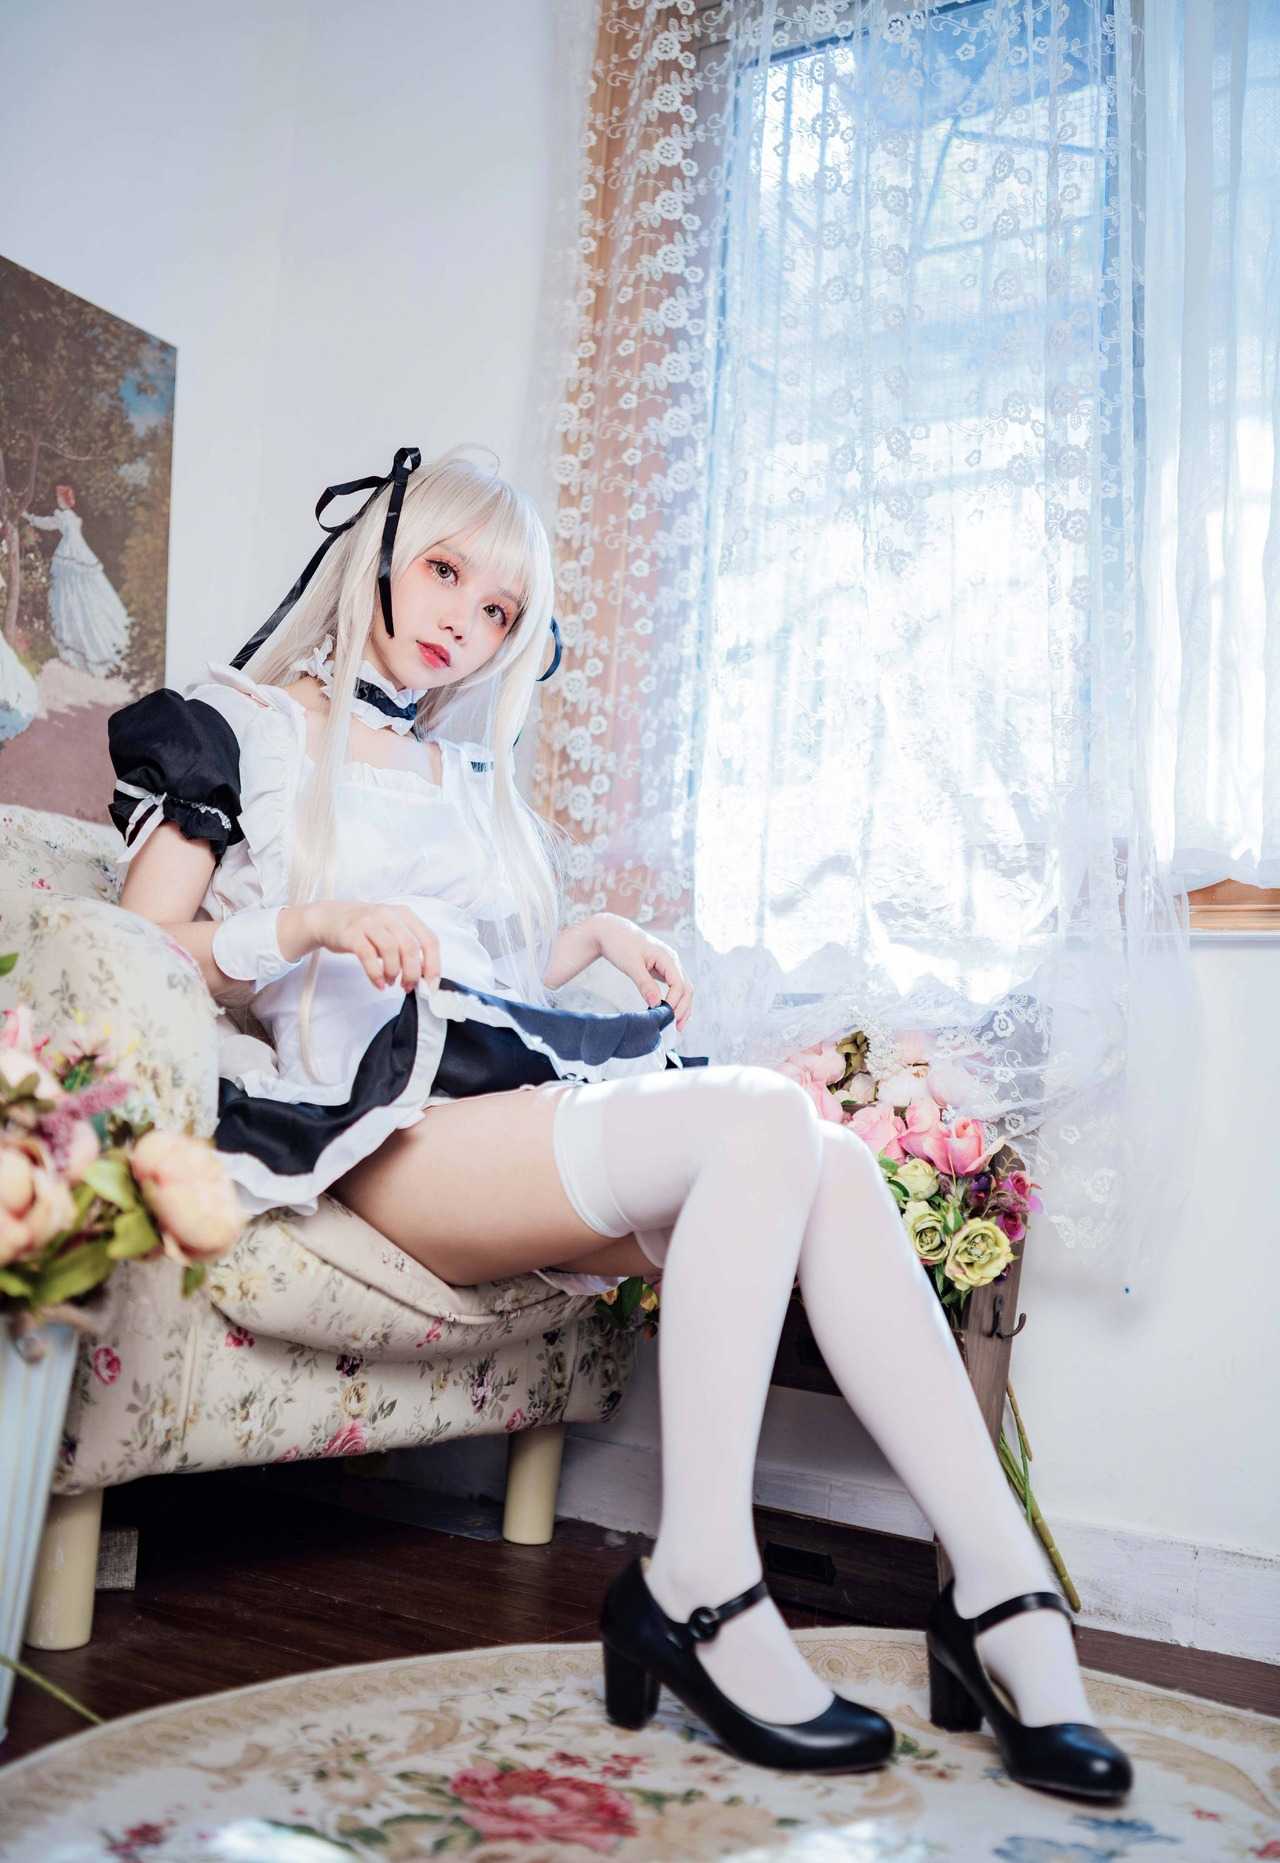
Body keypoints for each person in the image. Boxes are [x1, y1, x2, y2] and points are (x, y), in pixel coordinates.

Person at [105, 443, 1132, 1796]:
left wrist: (584, 936)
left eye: (498, 611)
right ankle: (709, 1577)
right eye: (445, 574)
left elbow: (469, 992)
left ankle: (994, 1585)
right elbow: (135, 947)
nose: (464, 623)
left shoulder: (461, 776)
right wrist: (306, 922)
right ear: (381, 550)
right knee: (760, 1117)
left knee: (822, 1153)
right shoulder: (236, 726)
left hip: (485, 1109)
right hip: (376, 1137)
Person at [22, 483, 131, 676]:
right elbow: (48, 523)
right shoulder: (73, 517)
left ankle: (80, 643)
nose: (57, 501)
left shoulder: (63, 516)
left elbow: (45, 523)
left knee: (71, 593)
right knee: (74, 593)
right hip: (78, 553)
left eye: (59, 498)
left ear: (64, 500)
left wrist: (28, 517)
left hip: (70, 554)